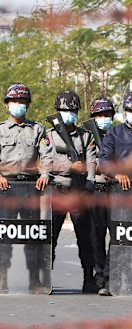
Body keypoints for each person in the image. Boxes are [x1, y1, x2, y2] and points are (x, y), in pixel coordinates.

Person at [0, 83, 52, 294]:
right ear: (7, 105)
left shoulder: (38, 129)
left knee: (32, 236)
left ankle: (34, 281)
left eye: (22, 102)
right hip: (6, 188)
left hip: (31, 187)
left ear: (27, 105)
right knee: (4, 236)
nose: (18, 105)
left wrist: (45, 174)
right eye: (14, 102)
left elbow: (47, 155)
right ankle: (1, 280)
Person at [47, 90, 97, 293]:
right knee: (50, 238)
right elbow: (46, 162)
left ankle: (88, 279)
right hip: (57, 191)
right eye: (64, 110)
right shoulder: (49, 135)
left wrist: (89, 182)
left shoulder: (86, 136)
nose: (69, 113)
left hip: (78, 192)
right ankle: (44, 279)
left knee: (86, 239)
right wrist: (69, 167)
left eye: (73, 110)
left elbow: (92, 160)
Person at [98, 91, 132, 296]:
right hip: (122, 192)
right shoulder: (115, 133)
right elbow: (104, 160)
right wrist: (117, 173)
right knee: (120, 236)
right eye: (129, 110)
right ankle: (111, 282)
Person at [88, 97, 116, 296]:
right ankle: (99, 276)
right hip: (96, 190)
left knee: (116, 236)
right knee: (96, 236)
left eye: (106, 115)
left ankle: (109, 276)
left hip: (115, 190)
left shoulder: (118, 134)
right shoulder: (87, 135)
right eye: (99, 115)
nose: (103, 119)